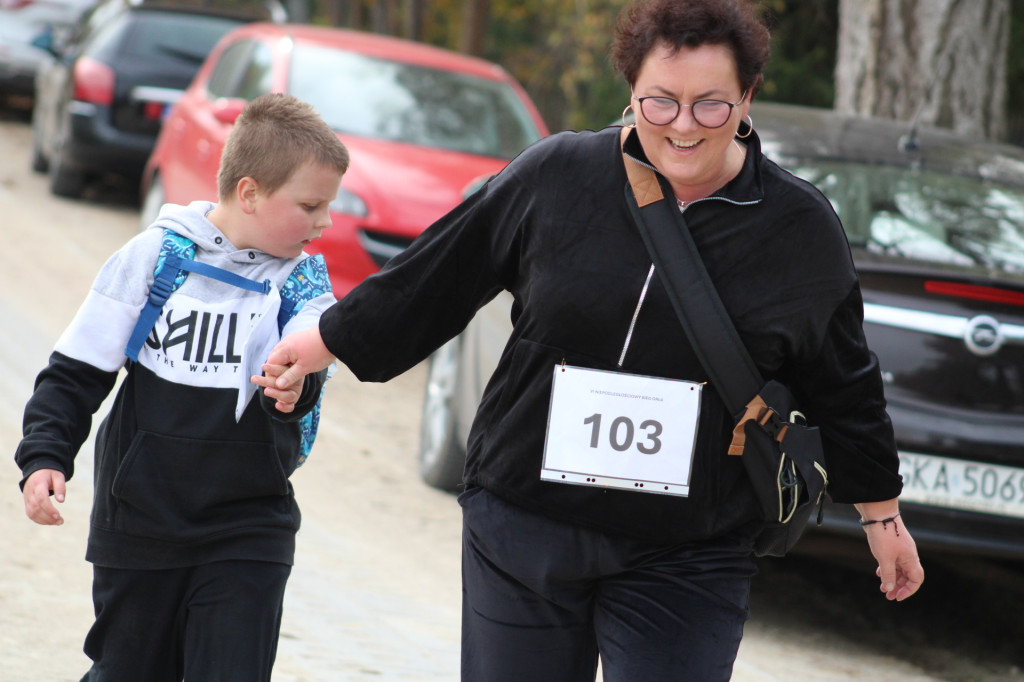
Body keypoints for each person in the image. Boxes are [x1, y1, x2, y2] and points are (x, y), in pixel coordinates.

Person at [255, 1, 925, 679]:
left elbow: (844, 380)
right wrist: (322, 343)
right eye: (660, 102)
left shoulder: (798, 228)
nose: (684, 126)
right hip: (525, 520)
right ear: (630, 91)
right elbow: (438, 273)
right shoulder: (558, 175)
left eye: (711, 105)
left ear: (748, 98)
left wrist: (882, 518)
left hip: (690, 546)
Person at [16, 93, 349, 681]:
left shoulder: (303, 278)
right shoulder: (155, 258)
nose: (325, 222)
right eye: (311, 205)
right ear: (249, 193)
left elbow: (309, 344)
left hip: (249, 528)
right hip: (141, 524)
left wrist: (300, 378)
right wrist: (46, 453)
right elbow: (77, 369)